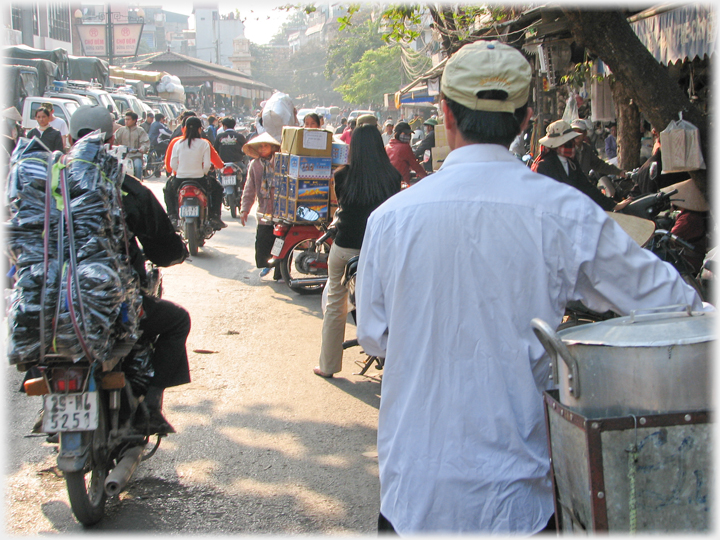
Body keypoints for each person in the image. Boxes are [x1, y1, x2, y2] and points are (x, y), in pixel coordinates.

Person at [355, 40, 708, 535]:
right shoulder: (563, 212)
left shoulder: (390, 220)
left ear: (445, 115)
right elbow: (678, 308)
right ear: (525, 120)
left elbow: (374, 336)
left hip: (415, 490)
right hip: (518, 497)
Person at [69, 105, 191, 435]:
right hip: (108, 308)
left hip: (53, 312)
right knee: (177, 320)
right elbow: (161, 245)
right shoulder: (122, 186)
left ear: (68, 138)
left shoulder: (47, 183)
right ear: (111, 141)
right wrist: (177, 252)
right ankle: (150, 405)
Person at [314, 124, 401, 378]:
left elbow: (341, 207)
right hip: (378, 252)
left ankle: (328, 366)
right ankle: (391, 362)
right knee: (388, 305)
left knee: (334, 304)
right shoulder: (392, 177)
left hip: (344, 249)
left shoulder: (341, 176)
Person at [534, 119, 628, 212]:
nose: (572, 144)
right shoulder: (544, 166)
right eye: (568, 142)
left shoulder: (571, 162)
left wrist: (613, 205)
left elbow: (585, 186)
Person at [168, 116, 226, 230]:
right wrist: (203, 173)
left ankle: (172, 216)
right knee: (217, 188)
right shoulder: (204, 143)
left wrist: (179, 172)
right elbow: (206, 165)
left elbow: (172, 164)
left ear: (184, 128)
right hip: (200, 179)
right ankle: (214, 216)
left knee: (168, 190)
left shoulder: (177, 143)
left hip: (180, 179)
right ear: (200, 129)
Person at [239, 132, 283, 279]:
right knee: (263, 240)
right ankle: (267, 266)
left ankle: (280, 272)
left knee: (281, 242)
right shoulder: (254, 165)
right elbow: (249, 188)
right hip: (264, 210)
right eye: (261, 146)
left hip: (281, 210)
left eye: (266, 146)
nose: (263, 148)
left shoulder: (281, 162)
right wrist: (245, 209)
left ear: (272, 147)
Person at [114, 111, 150, 179]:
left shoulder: (140, 131)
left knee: (138, 167)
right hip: (122, 157)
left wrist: (142, 148)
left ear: (134, 120)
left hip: (135, 156)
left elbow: (145, 143)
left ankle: (138, 184)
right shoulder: (120, 130)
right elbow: (114, 141)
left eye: (128, 119)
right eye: (125, 119)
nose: (126, 121)